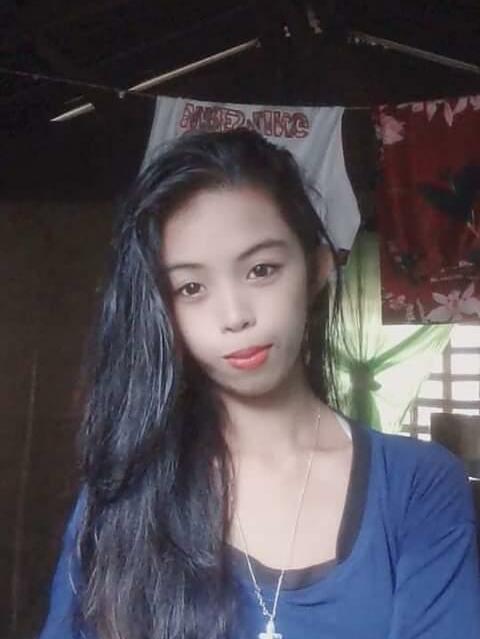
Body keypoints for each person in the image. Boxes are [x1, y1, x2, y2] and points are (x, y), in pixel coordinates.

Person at [40, 128, 480, 639]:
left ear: (317, 269)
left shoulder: (418, 486)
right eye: (191, 287)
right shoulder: (122, 496)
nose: (234, 316)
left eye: (261, 269)